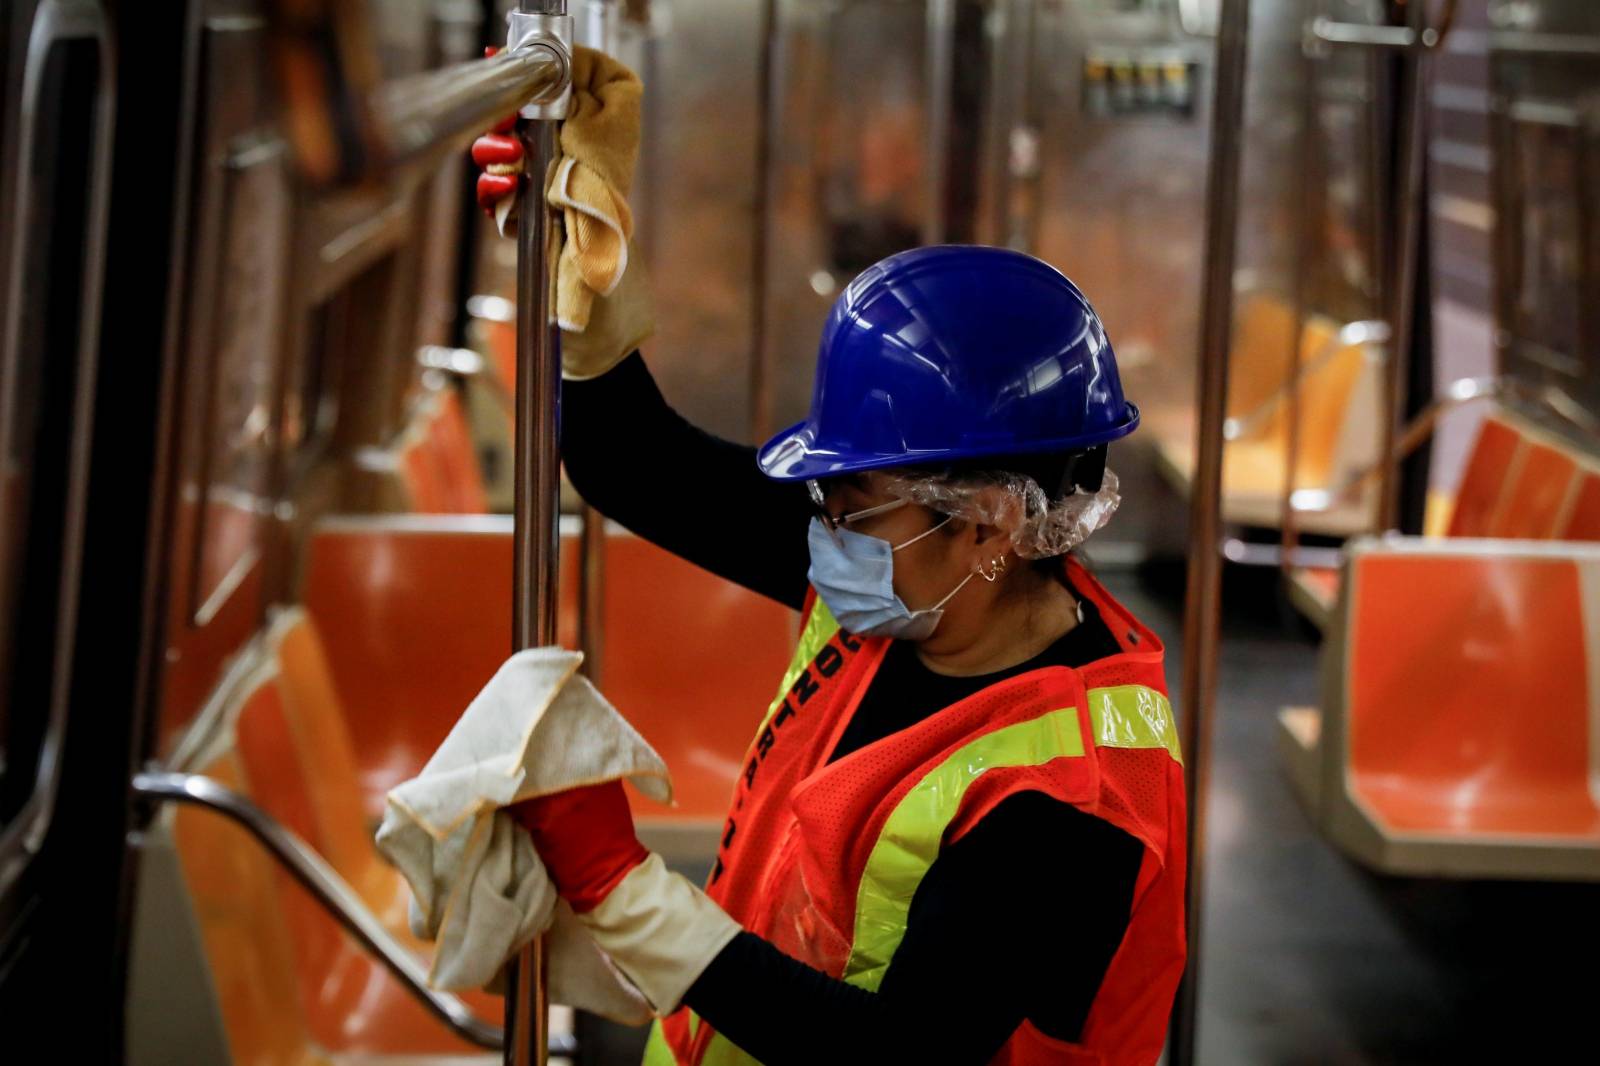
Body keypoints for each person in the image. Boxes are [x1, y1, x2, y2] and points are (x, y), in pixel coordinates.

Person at [475, 148, 1186, 1066]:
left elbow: (893, 1056)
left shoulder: (1070, 799)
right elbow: (637, 464)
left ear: (990, 521)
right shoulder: (908, 577)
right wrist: (578, 259)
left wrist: (623, 890)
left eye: (854, 503)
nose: (824, 532)